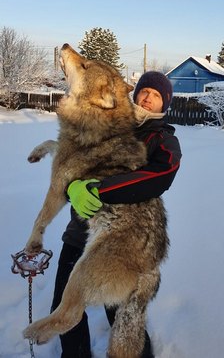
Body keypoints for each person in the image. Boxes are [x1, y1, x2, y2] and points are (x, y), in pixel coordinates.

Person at [51, 71, 182, 358]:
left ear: (165, 105)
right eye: (144, 91)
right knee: (64, 305)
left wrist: (99, 189)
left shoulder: (163, 141)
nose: (148, 98)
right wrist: (72, 186)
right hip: (81, 230)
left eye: (156, 95)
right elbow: (77, 158)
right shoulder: (109, 124)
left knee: (124, 315)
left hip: (124, 241)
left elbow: (160, 175)